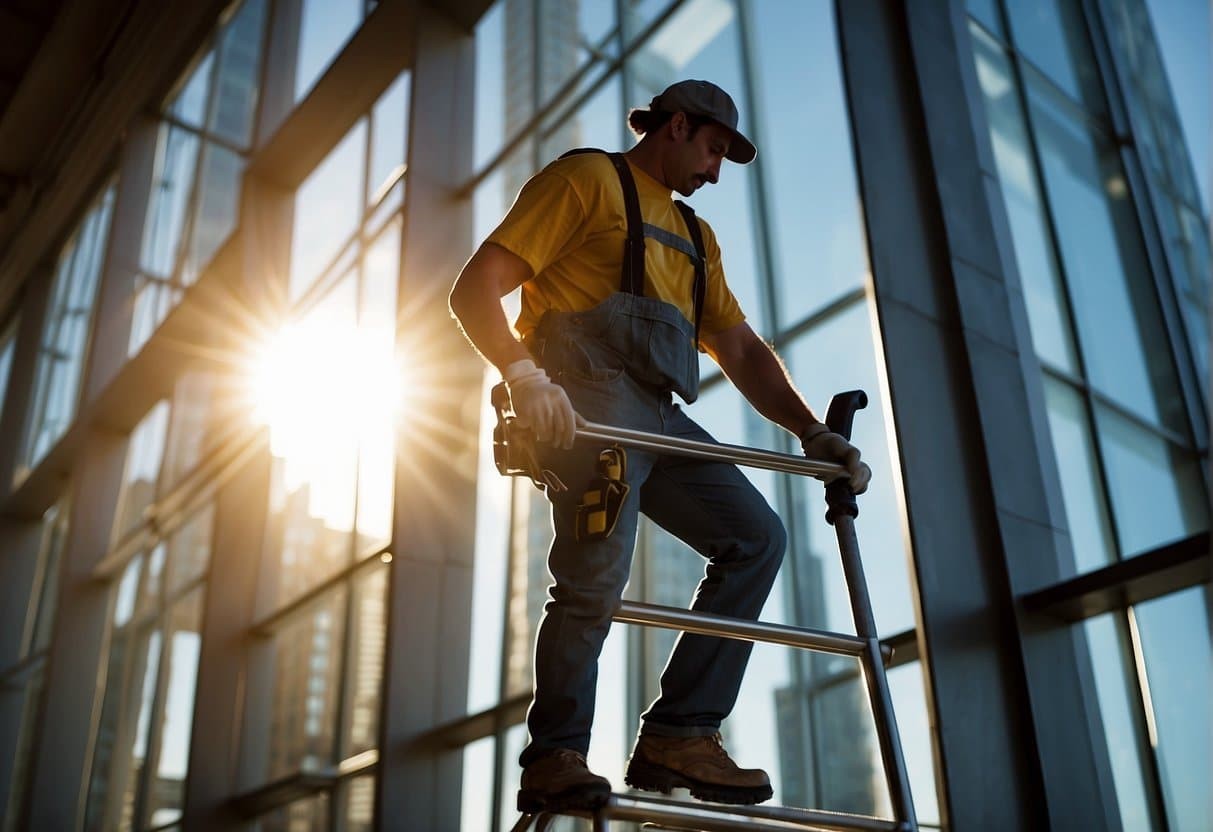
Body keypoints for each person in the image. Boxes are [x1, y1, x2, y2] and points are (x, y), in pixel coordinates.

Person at [449, 79, 871, 813]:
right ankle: (554, 757)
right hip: (585, 400)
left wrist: (813, 433)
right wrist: (524, 376)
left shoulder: (696, 239)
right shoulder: (588, 180)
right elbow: (475, 286)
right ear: (676, 126)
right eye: (711, 151)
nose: (714, 172)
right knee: (594, 577)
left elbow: (739, 349)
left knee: (755, 537)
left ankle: (679, 731)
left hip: (658, 413)